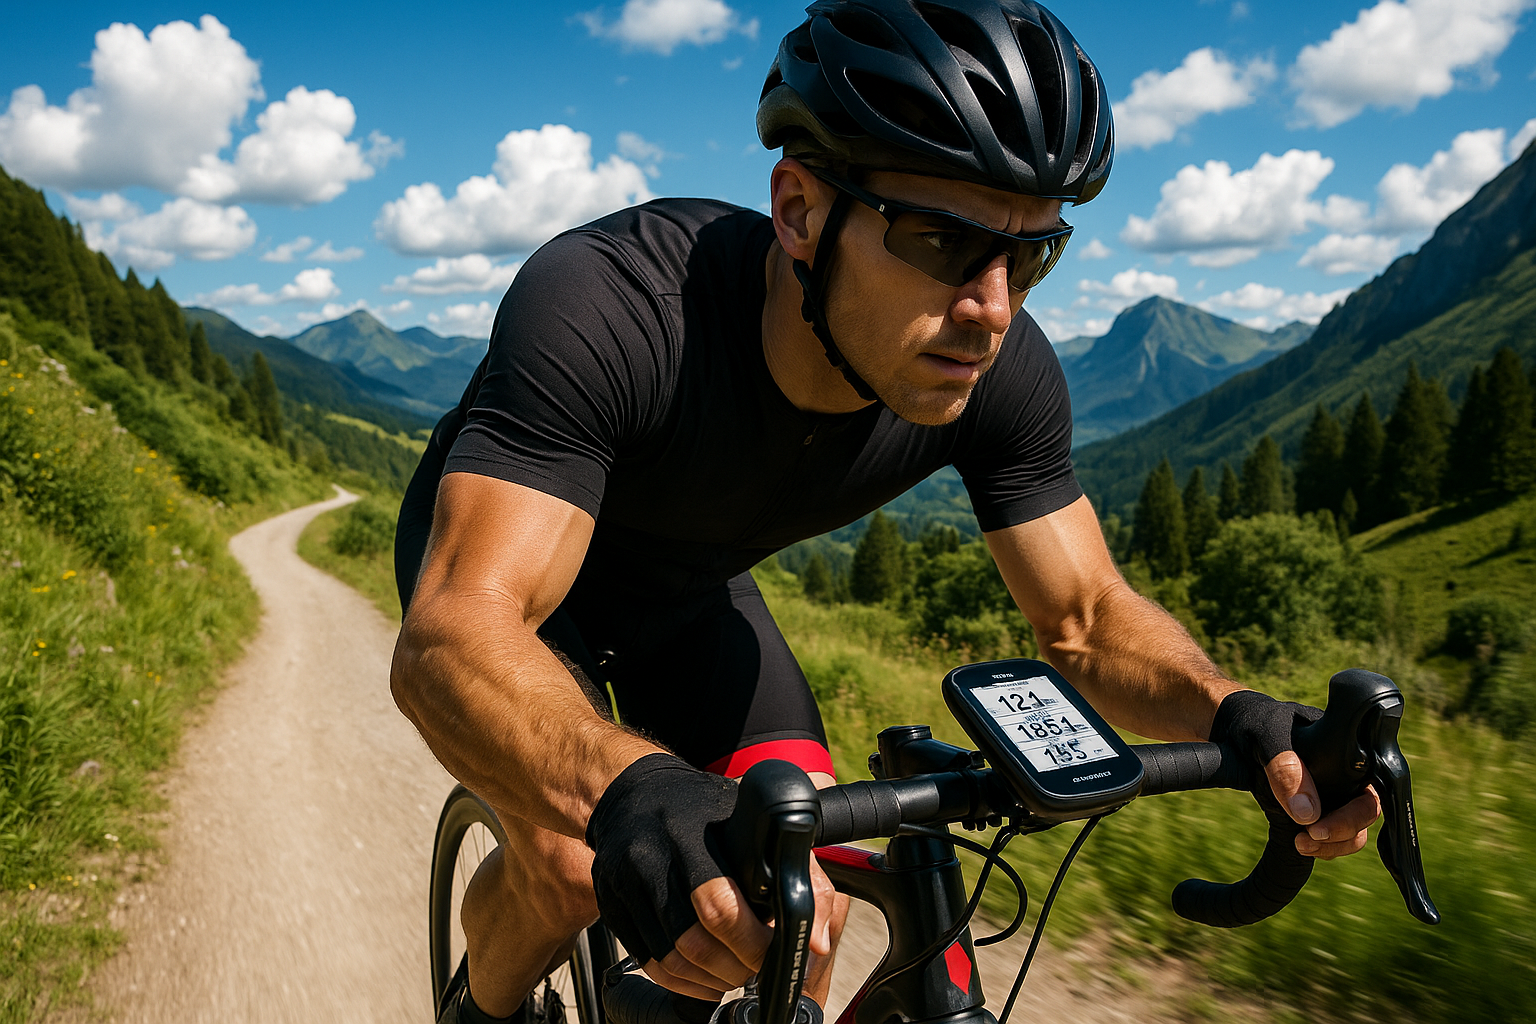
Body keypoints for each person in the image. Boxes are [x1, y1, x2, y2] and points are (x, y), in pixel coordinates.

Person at [391, 3, 1382, 1023]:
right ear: (801, 210)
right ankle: (486, 1005)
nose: (993, 309)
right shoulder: (611, 304)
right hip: (513, 582)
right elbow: (453, 632)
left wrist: (1239, 714)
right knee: (568, 854)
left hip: (692, 597)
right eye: (945, 240)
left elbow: (1084, 615)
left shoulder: (994, 369)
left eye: (1032, 256)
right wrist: (630, 784)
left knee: (798, 885)